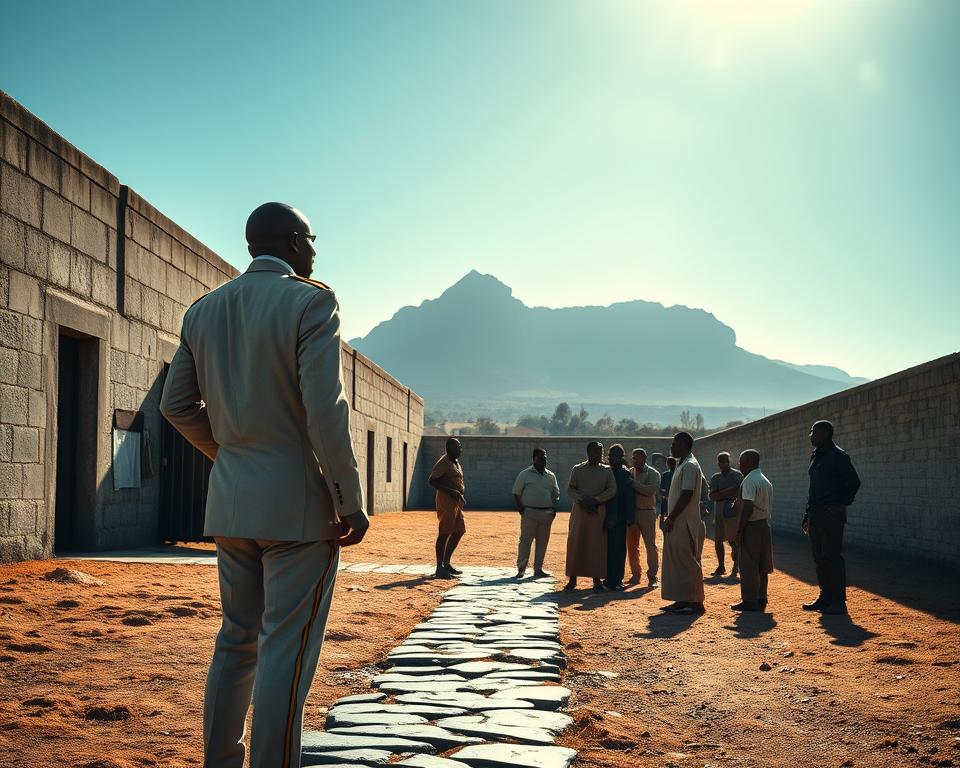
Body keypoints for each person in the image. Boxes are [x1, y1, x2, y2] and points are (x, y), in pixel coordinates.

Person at [160, 202, 369, 768]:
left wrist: (230, 455)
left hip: (231, 505)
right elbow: (326, 409)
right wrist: (349, 499)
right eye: (312, 238)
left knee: (235, 640)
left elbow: (176, 405)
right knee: (286, 651)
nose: (315, 250)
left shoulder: (203, 310)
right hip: (299, 508)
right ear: (294, 241)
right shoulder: (311, 301)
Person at [802, 420, 861, 615]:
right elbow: (813, 490)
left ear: (826, 434)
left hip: (831, 516)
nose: (810, 435)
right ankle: (825, 596)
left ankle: (838, 602)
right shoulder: (816, 456)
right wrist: (807, 515)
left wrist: (841, 503)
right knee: (819, 557)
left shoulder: (838, 456)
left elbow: (853, 482)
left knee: (832, 556)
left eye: (814, 432)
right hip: (815, 514)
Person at [661, 432, 706, 614]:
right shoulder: (682, 463)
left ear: (683, 444)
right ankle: (682, 598)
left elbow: (687, 494)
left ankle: (696, 601)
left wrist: (672, 516)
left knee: (687, 560)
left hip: (684, 521)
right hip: (678, 519)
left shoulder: (690, 465)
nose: (671, 447)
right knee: (677, 562)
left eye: (674, 444)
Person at [564, 441, 617, 591]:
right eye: (595, 452)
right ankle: (572, 579)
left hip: (598, 512)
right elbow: (570, 489)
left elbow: (612, 490)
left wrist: (596, 500)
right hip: (580, 512)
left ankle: (597, 580)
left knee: (597, 546)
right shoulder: (577, 469)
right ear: (588, 453)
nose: (598, 455)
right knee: (576, 543)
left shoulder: (607, 471)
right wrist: (583, 499)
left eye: (600, 452)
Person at [731, 450, 774, 612]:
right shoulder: (765, 480)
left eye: (741, 462)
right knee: (763, 566)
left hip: (751, 526)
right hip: (764, 526)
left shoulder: (749, 480)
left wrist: (739, 530)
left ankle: (749, 600)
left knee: (749, 565)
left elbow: (748, 506)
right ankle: (761, 597)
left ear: (749, 462)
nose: (740, 466)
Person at [512, 448, 561, 579]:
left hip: (546, 513)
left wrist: (553, 509)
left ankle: (538, 569)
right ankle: (521, 568)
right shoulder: (525, 474)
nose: (543, 460)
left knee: (542, 542)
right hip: (529, 512)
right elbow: (516, 493)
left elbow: (556, 494)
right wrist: (521, 509)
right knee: (525, 541)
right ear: (534, 459)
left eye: (545, 457)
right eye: (540, 457)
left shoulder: (551, 476)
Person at [429, 437, 467, 579]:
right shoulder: (443, 462)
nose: (460, 450)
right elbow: (432, 480)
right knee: (444, 533)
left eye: (460, 447)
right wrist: (451, 491)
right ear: (449, 449)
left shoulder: (455, 462)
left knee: (459, 531)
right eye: (457, 447)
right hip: (446, 503)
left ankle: (446, 563)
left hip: (456, 503)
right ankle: (439, 568)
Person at [628, 448, 661, 587]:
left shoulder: (653, 473)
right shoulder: (630, 472)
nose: (635, 461)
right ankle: (636, 574)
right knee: (632, 545)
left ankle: (652, 576)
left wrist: (633, 484)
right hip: (633, 512)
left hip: (647, 512)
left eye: (638, 458)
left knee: (650, 545)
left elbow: (649, 491)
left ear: (644, 458)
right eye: (634, 458)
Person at [604, 444, 634, 591]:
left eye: (615, 456)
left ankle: (617, 580)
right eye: (610, 455)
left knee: (619, 549)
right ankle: (608, 579)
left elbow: (628, 497)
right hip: (604, 516)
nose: (611, 458)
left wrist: (629, 516)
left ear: (621, 457)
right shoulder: (606, 471)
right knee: (606, 549)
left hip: (619, 517)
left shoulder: (624, 473)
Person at [708, 452, 743, 577]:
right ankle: (721, 566)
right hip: (719, 509)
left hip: (733, 508)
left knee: (733, 540)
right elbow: (712, 496)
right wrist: (730, 491)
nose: (722, 464)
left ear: (729, 461)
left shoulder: (737, 475)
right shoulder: (715, 478)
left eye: (725, 461)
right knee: (718, 539)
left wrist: (721, 494)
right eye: (720, 462)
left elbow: (738, 491)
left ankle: (736, 566)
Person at [658, 456, 676, 529]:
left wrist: (664, 494)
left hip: (667, 498)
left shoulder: (666, 474)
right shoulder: (677, 473)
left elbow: (661, 488)